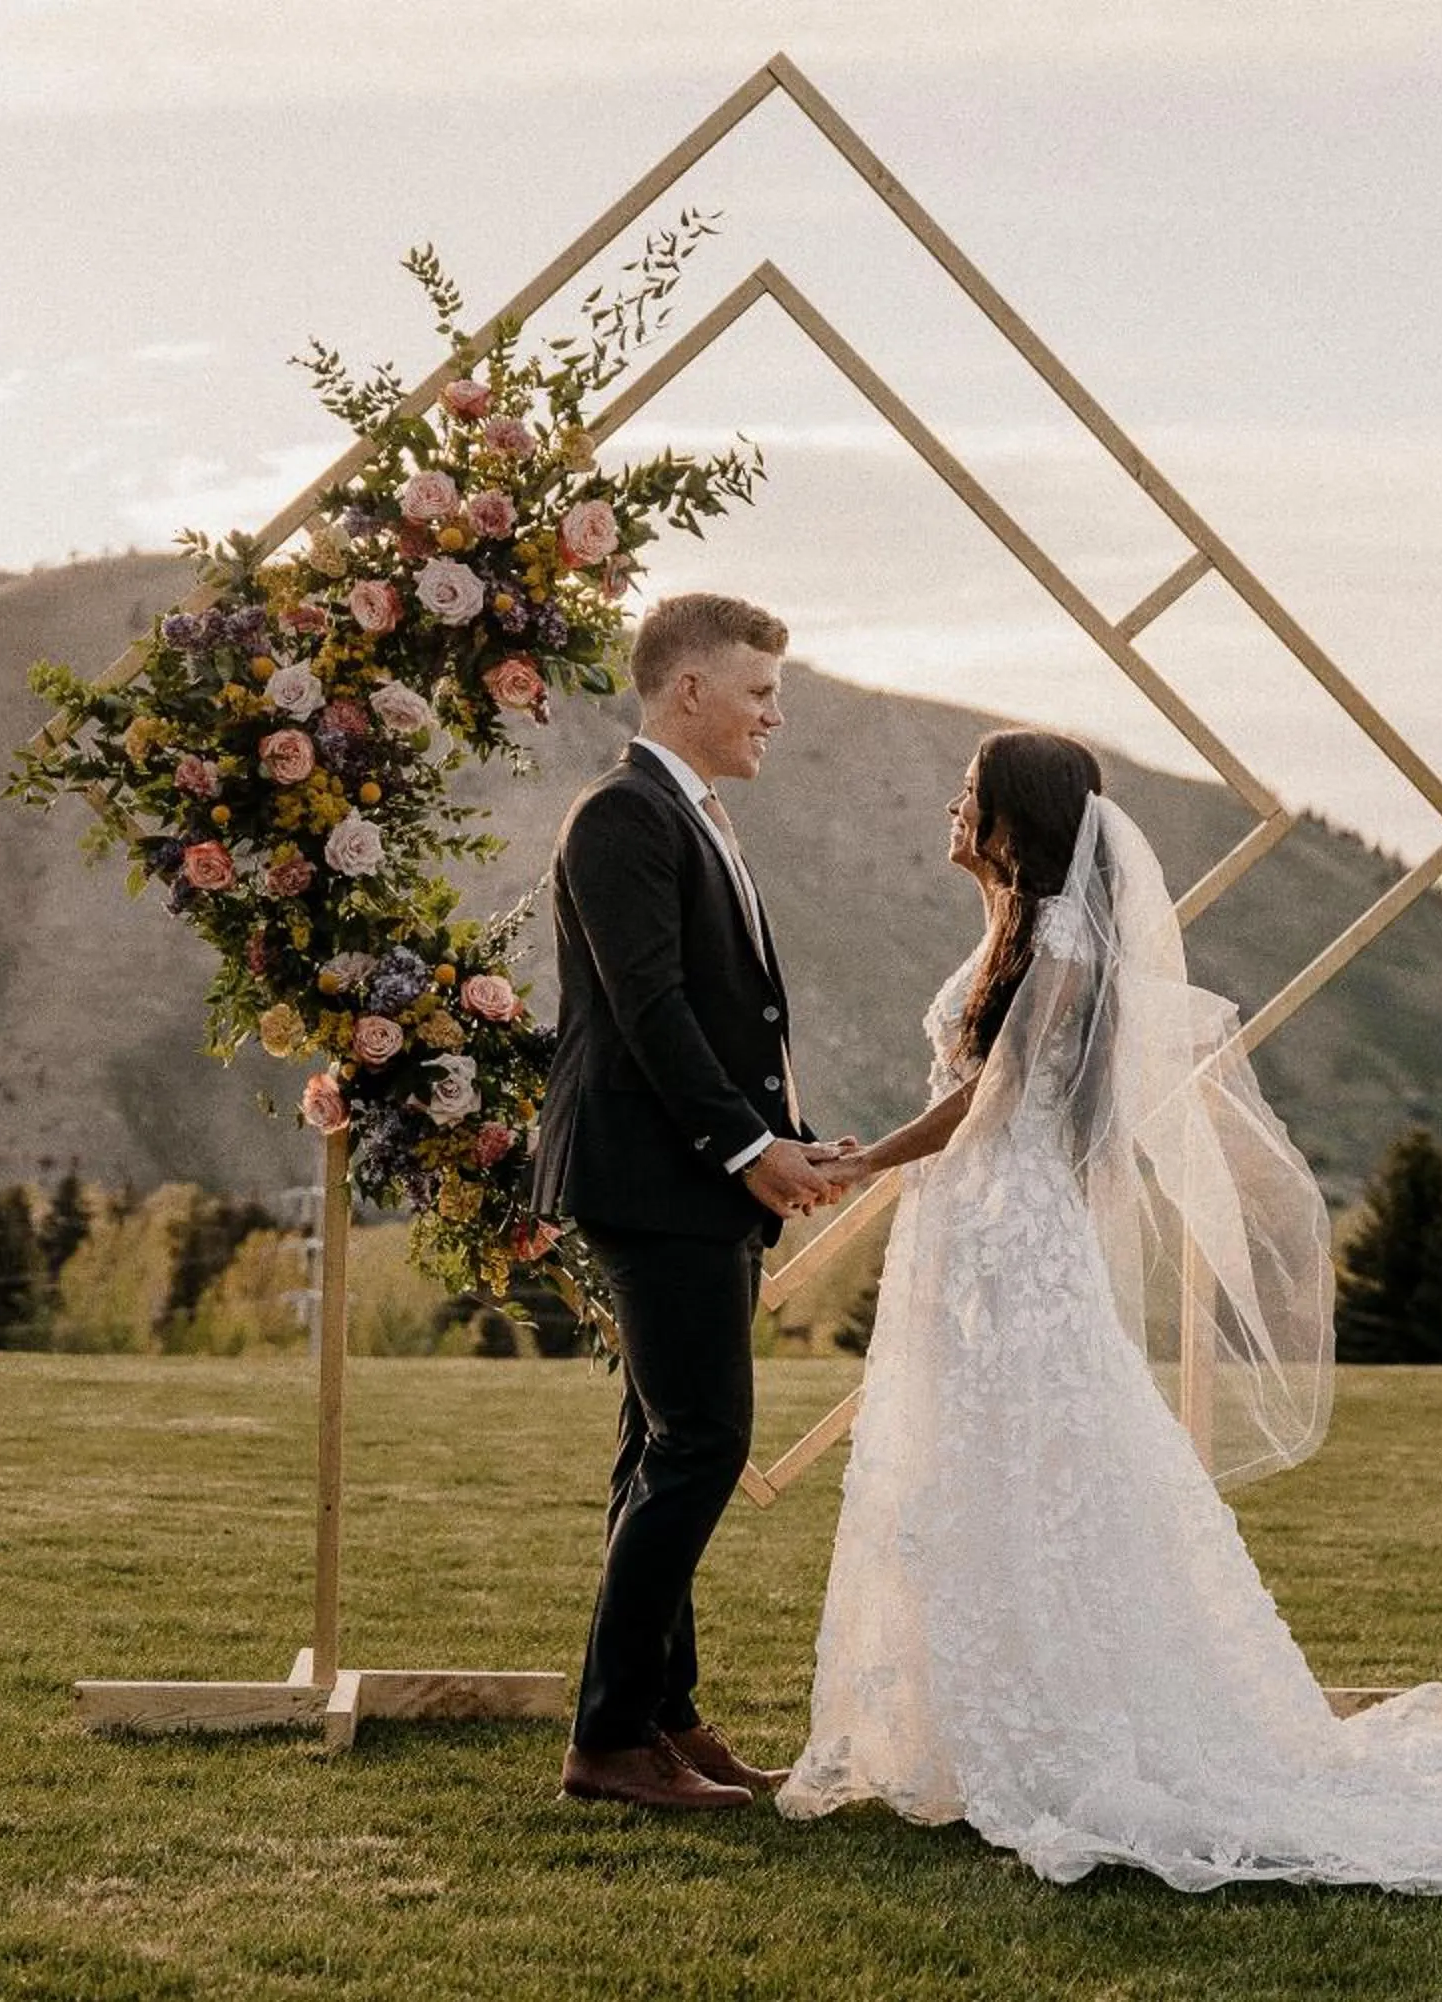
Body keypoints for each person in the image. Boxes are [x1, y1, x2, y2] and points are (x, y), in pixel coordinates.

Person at [775, 727, 1442, 1889]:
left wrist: (858, 1165)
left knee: (1035, 1460)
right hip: (973, 1224)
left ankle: (1063, 1731)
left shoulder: (1061, 950)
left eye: (969, 797)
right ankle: (959, 1726)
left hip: (1009, 1230)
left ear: (1016, 822)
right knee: (975, 1461)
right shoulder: (1018, 932)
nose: (950, 810)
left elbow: (992, 1107)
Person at [535, 592, 862, 1811]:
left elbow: (725, 1015)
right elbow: (648, 1007)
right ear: (688, 691)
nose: (777, 713)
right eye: (760, 691)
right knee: (704, 1442)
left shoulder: (691, 812)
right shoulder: (624, 813)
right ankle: (610, 1741)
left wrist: (781, 1137)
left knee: (660, 1445)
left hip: (691, 1173)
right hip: (653, 1177)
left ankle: (664, 1721)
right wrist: (746, 1151)